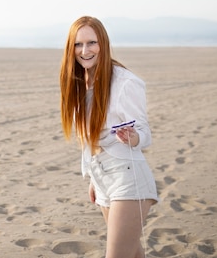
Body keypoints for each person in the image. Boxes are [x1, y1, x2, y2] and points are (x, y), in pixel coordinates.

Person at [59, 16, 158, 258]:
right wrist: (94, 178)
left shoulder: (125, 82)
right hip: (102, 179)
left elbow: (145, 134)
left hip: (128, 177)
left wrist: (133, 137)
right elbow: (92, 140)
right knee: (133, 253)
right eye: (78, 44)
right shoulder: (79, 82)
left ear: (103, 43)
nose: (85, 50)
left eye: (91, 42)